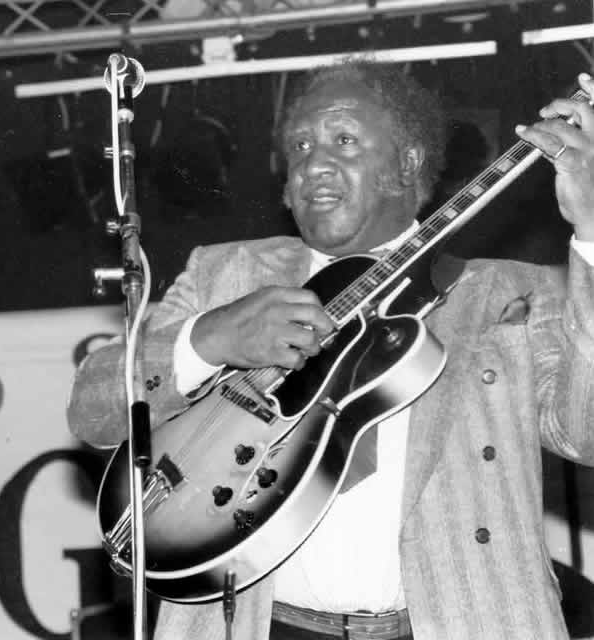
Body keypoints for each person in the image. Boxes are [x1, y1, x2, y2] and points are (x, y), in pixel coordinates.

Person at [67, 58, 594, 640]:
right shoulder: (228, 274)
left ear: (409, 161)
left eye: (343, 140)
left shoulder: (506, 294)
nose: (314, 162)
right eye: (299, 146)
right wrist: (210, 338)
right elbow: (93, 409)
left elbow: (587, 431)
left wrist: (593, 232)